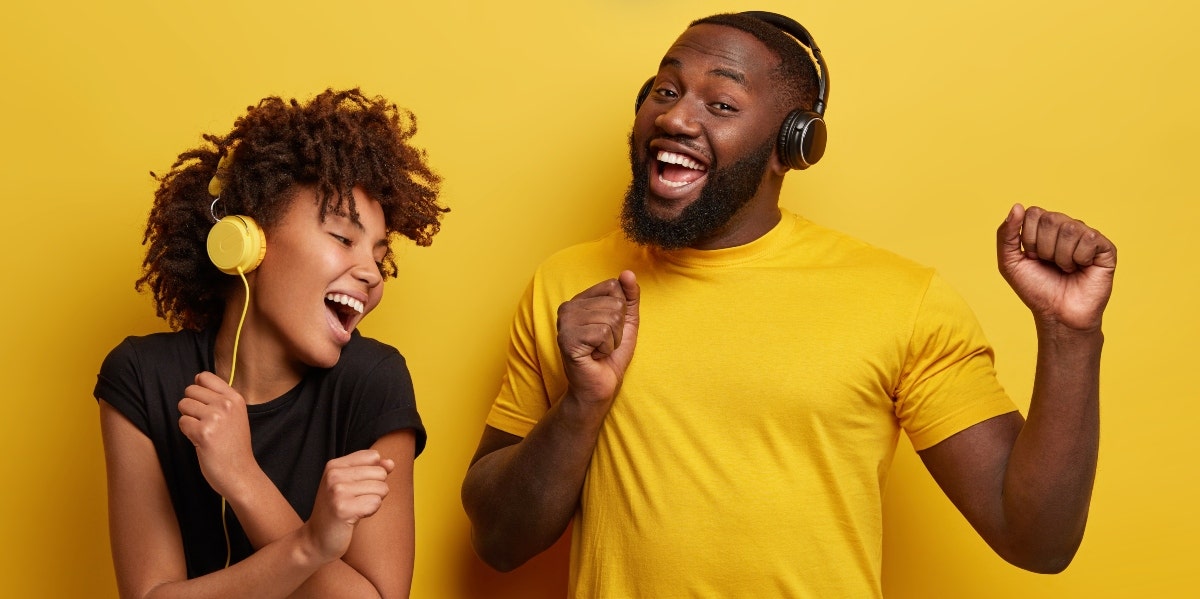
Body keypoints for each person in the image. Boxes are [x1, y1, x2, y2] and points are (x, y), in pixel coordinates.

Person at [461, 11, 1116, 598]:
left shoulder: (899, 300)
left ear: (793, 144)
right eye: (665, 91)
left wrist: (1070, 334)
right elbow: (498, 540)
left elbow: (1038, 540)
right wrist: (581, 404)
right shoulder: (569, 282)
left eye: (721, 103)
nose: (676, 117)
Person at [95, 88, 447, 598]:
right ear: (247, 242)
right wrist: (310, 546)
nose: (371, 272)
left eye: (378, 253)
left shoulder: (374, 381)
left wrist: (244, 478)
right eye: (343, 238)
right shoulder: (141, 378)